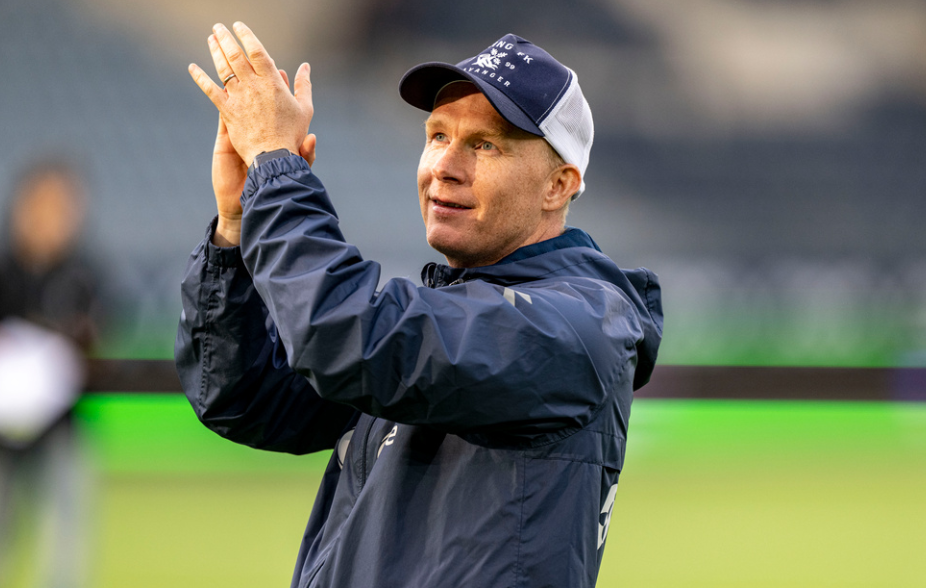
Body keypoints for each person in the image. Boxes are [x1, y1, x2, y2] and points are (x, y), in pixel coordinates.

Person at [175, 23, 663, 588]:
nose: (444, 167)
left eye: (484, 145)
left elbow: (342, 334)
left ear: (558, 185)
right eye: (436, 136)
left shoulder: (573, 325)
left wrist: (276, 169)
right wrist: (236, 228)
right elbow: (248, 398)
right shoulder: (454, 309)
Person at [0, 159, 101, 588]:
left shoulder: (84, 272)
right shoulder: (6, 269)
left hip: (63, 426)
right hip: (2, 433)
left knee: (65, 541)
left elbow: (101, 332)